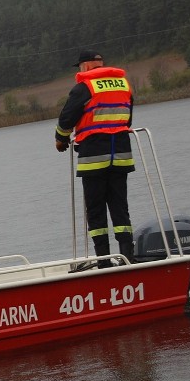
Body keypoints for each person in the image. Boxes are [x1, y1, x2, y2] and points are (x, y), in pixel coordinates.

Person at [55, 50, 135, 268]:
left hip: (93, 158)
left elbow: (66, 119)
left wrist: (60, 140)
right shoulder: (123, 85)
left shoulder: (85, 87)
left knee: (96, 210)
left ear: (87, 66)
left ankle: (104, 262)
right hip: (121, 155)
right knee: (120, 207)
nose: (80, 71)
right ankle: (128, 256)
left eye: (80, 67)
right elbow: (128, 118)